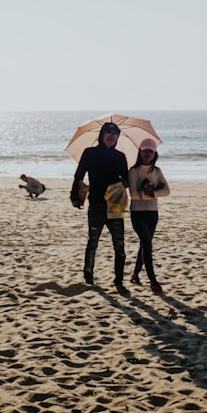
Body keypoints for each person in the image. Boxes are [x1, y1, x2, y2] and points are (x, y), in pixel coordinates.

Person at [71, 122, 130, 294]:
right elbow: (79, 175)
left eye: (115, 134)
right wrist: (75, 196)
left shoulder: (120, 156)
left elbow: (127, 180)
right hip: (96, 204)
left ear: (118, 137)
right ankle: (88, 276)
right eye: (109, 133)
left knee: (119, 246)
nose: (112, 136)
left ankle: (119, 281)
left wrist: (119, 185)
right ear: (102, 134)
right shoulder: (89, 153)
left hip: (115, 205)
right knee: (92, 242)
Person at [127, 138, 170, 293]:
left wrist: (149, 193)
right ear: (140, 152)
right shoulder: (133, 171)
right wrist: (153, 193)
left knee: (145, 244)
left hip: (153, 212)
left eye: (150, 151)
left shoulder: (157, 171)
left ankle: (135, 274)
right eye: (145, 151)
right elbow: (133, 194)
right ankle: (152, 280)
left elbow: (167, 191)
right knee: (147, 243)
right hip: (137, 213)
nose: (147, 154)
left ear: (154, 153)